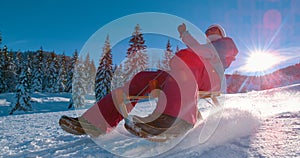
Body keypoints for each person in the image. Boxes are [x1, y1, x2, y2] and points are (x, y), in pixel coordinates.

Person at [59, 23, 238, 139]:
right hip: (183, 77)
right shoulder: (202, 47)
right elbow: (198, 50)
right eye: (209, 31)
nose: (211, 33)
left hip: (208, 78)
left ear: (222, 35)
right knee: (141, 79)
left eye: (216, 31)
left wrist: (185, 36)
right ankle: (97, 121)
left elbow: (207, 53)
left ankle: (177, 120)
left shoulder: (225, 44)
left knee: (186, 60)